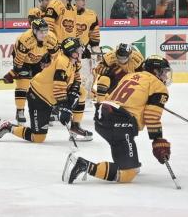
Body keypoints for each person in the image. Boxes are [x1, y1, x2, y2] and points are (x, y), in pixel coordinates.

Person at [63, 55, 172, 185]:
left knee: (133, 165)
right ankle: (84, 165)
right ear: (155, 71)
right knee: (128, 174)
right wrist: (158, 140)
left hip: (103, 116)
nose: (166, 76)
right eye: (164, 72)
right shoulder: (158, 86)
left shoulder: (129, 76)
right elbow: (151, 116)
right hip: (120, 122)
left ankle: (128, 162)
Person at [0, 37, 84, 144]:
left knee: (80, 94)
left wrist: (72, 95)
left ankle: (75, 125)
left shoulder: (73, 62)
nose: (81, 52)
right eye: (79, 50)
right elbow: (59, 87)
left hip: (49, 98)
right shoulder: (62, 62)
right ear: (73, 53)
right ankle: (7, 126)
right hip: (38, 98)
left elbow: (76, 78)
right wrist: (65, 107)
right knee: (38, 138)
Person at [3, 18, 58, 123]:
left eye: (46, 31)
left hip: (40, 59)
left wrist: (48, 63)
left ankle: (45, 111)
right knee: (23, 84)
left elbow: (56, 58)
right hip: (23, 60)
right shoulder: (25, 39)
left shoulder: (51, 38)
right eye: (41, 31)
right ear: (34, 30)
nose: (44, 34)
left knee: (43, 86)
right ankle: (20, 111)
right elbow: (19, 59)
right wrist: (15, 72)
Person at [74, 0, 101, 105]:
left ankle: (85, 95)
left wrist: (95, 48)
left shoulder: (91, 14)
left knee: (87, 75)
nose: (84, 2)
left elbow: (94, 34)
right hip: (68, 49)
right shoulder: (68, 12)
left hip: (83, 50)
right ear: (75, 0)